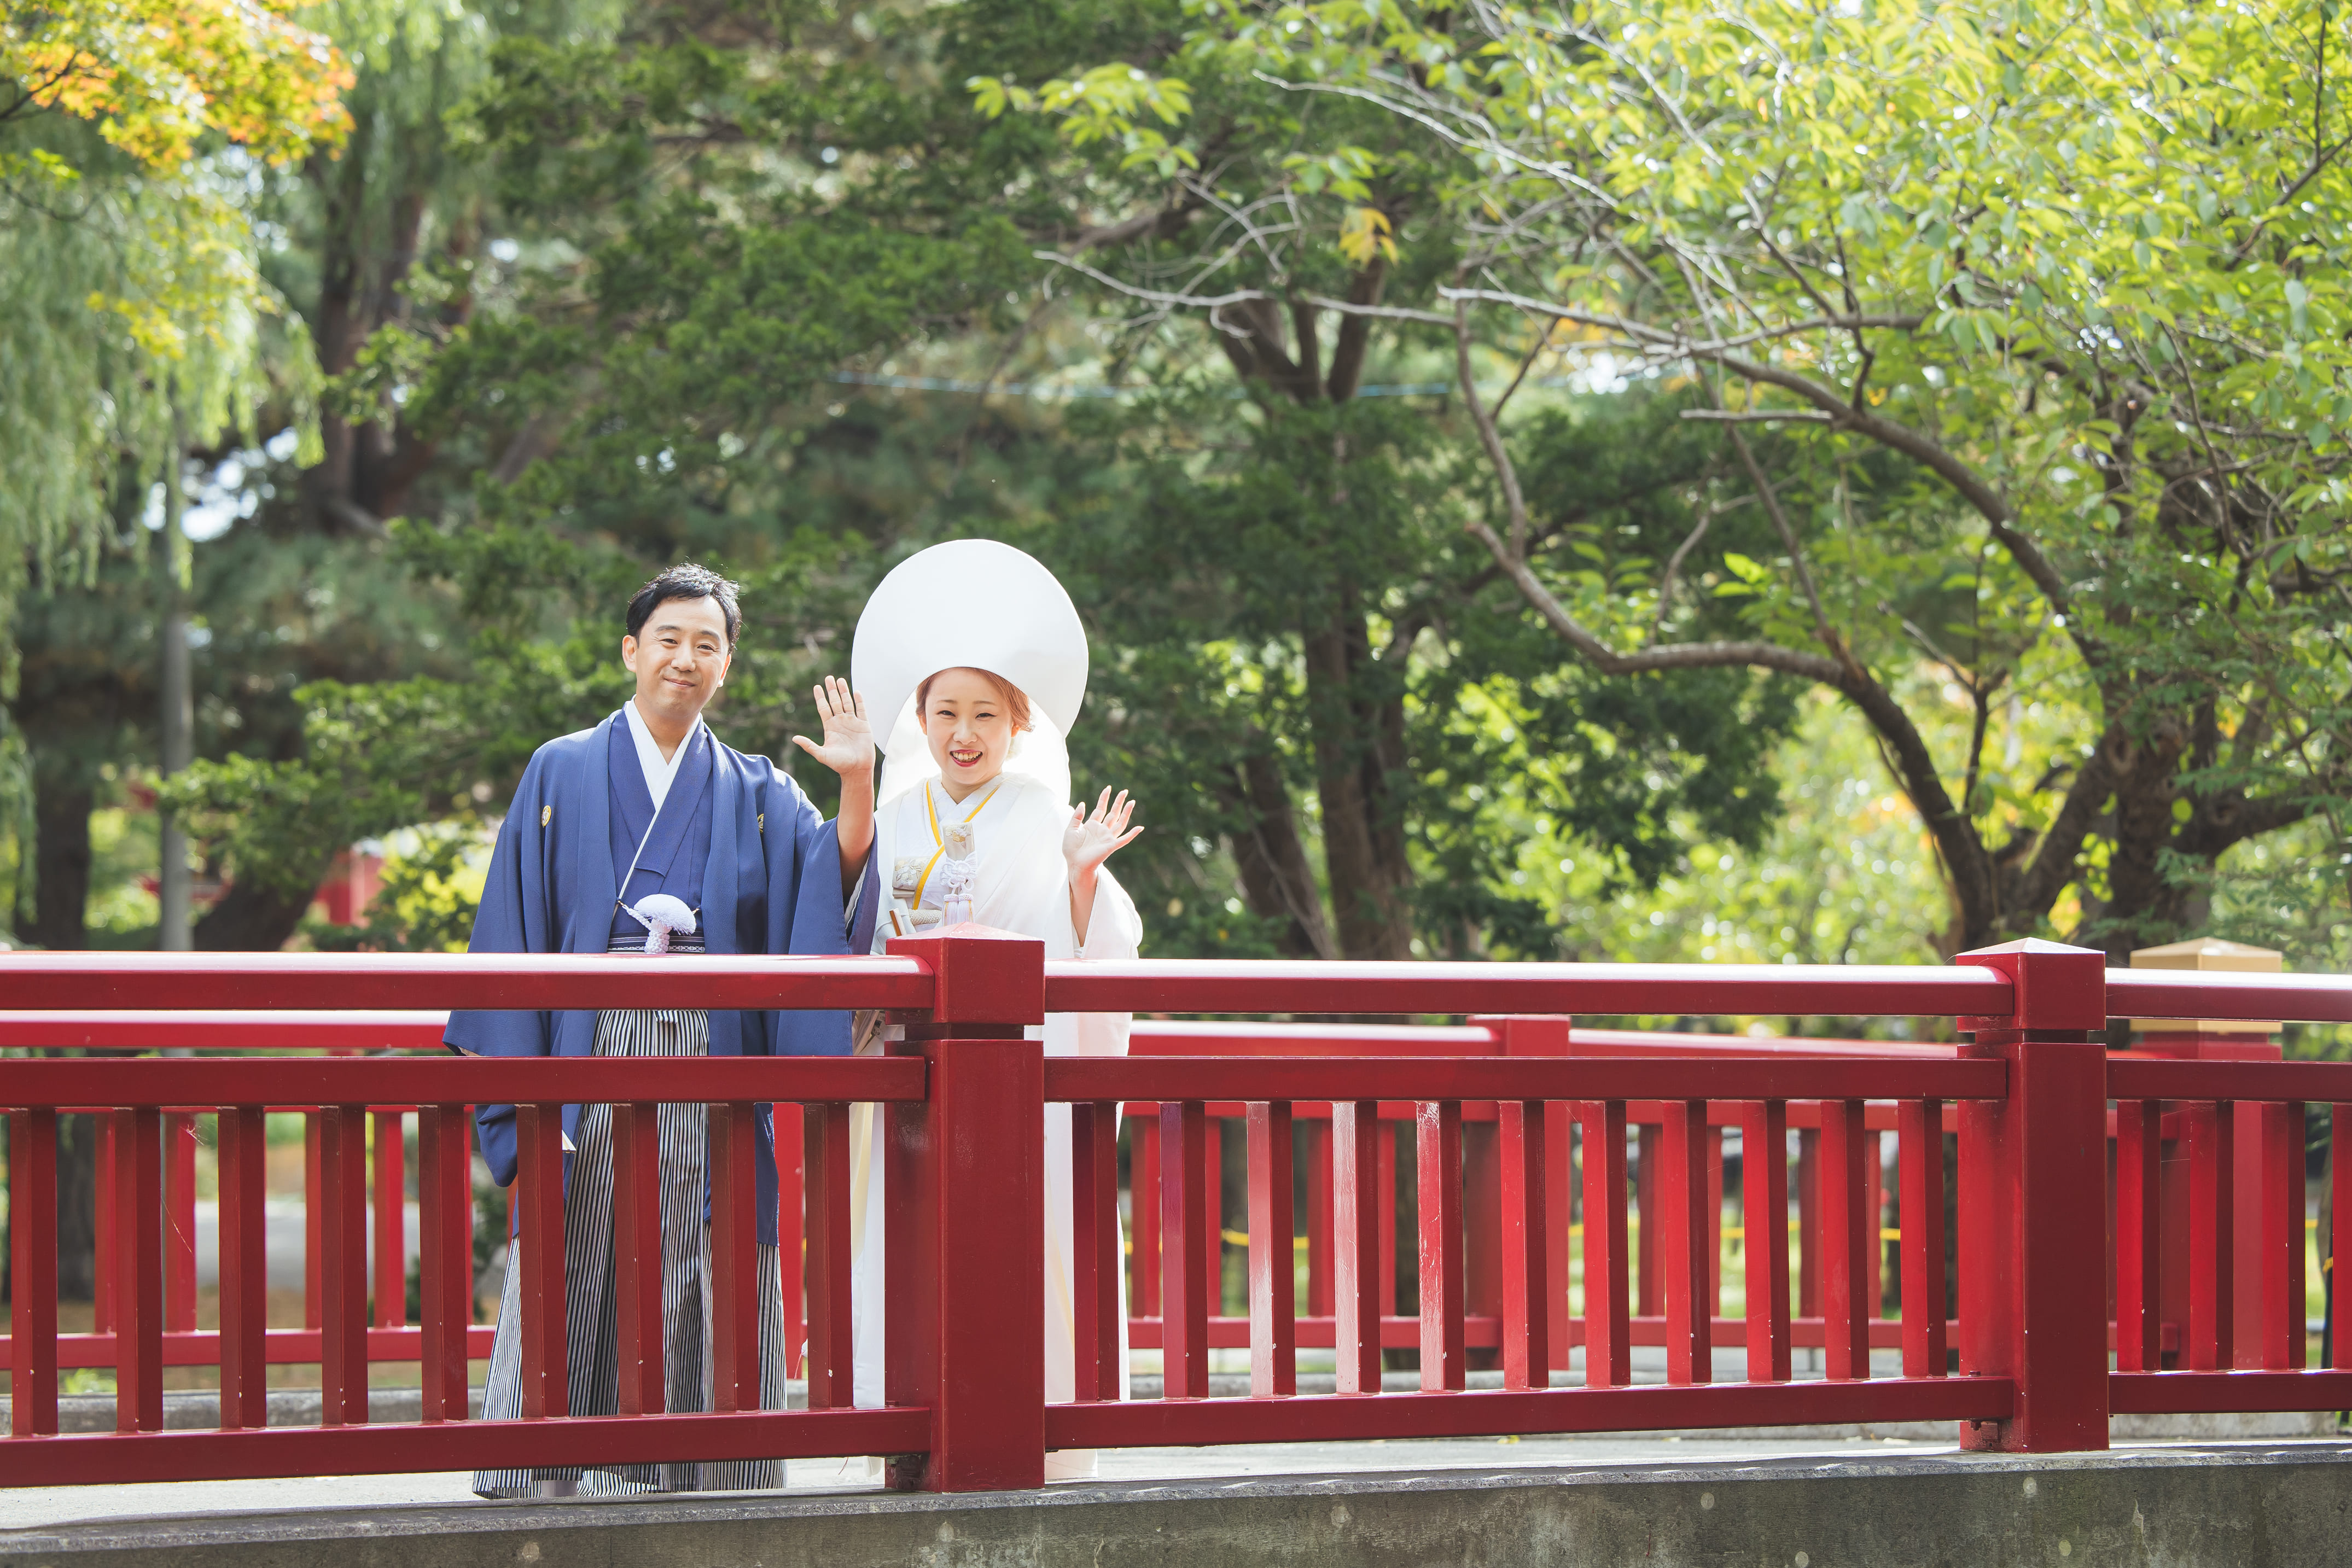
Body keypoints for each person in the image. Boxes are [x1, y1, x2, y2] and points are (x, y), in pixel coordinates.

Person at [449, 563, 880, 1498]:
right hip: (586, 1043)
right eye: (671, 639)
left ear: (727, 667)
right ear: (631, 650)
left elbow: (828, 890)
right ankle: (546, 1466)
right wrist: (517, 1093)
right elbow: (512, 927)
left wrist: (856, 785)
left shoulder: (760, 788)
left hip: (710, 1051)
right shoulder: (559, 769)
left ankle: (706, 1461)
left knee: (703, 1241)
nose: (687, 660)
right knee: (579, 1233)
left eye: (708, 645)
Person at [843, 539, 1145, 1481]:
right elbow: (846, 923)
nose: (963, 732)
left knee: (1024, 1247)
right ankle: (897, 1432)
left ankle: (1041, 1437)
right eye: (945, 712)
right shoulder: (891, 817)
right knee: (900, 1252)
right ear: (920, 722)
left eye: (985, 713)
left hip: (1019, 1077)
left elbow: (1101, 947)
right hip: (907, 1072)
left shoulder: (1043, 816)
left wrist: (1085, 878)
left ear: (1019, 725)